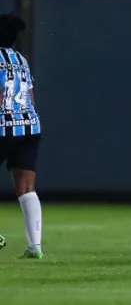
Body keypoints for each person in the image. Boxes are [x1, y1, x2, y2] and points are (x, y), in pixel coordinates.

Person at [0, 13, 44, 259]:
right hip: (29, 126)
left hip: (3, 125)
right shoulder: (21, 60)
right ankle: (35, 246)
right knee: (26, 188)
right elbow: (30, 96)